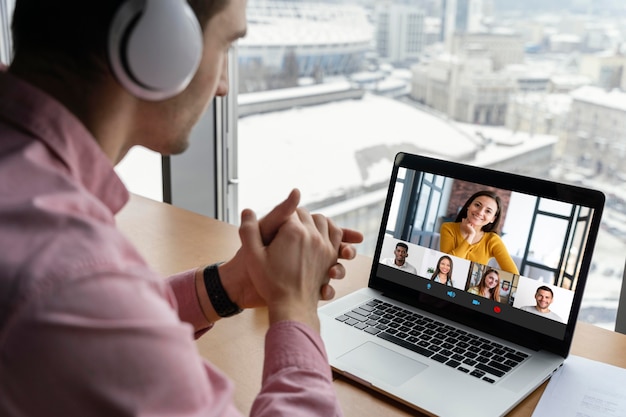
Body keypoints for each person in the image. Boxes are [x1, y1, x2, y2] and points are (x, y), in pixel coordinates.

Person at [0, 1, 364, 416]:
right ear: (159, 43)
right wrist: (295, 307)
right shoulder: (73, 280)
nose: (223, 84)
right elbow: (89, 301)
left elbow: (105, 328)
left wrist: (228, 286)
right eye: (224, 46)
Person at [440, 190, 519, 275]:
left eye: (488, 211)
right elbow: (447, 266)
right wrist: (470, 236)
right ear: (469, 206)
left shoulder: (492, 240)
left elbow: (514, 274)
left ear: (493, 219)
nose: (480, 212)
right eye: (477, 205)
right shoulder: (448, 228)